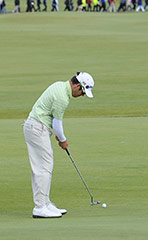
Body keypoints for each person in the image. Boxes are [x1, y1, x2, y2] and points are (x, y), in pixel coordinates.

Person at [23, 72, 95, 219]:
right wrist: (63, 140)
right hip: (37, 128)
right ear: (76, 85)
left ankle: (45, 202)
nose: (82, 95)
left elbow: (53, 119)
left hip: (36, 127)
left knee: (44, 167)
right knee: (43, 167)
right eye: (82, 91)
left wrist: (59, 134)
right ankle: (40, 207)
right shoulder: (63, 97)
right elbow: (57, 123)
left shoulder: (60, 86)